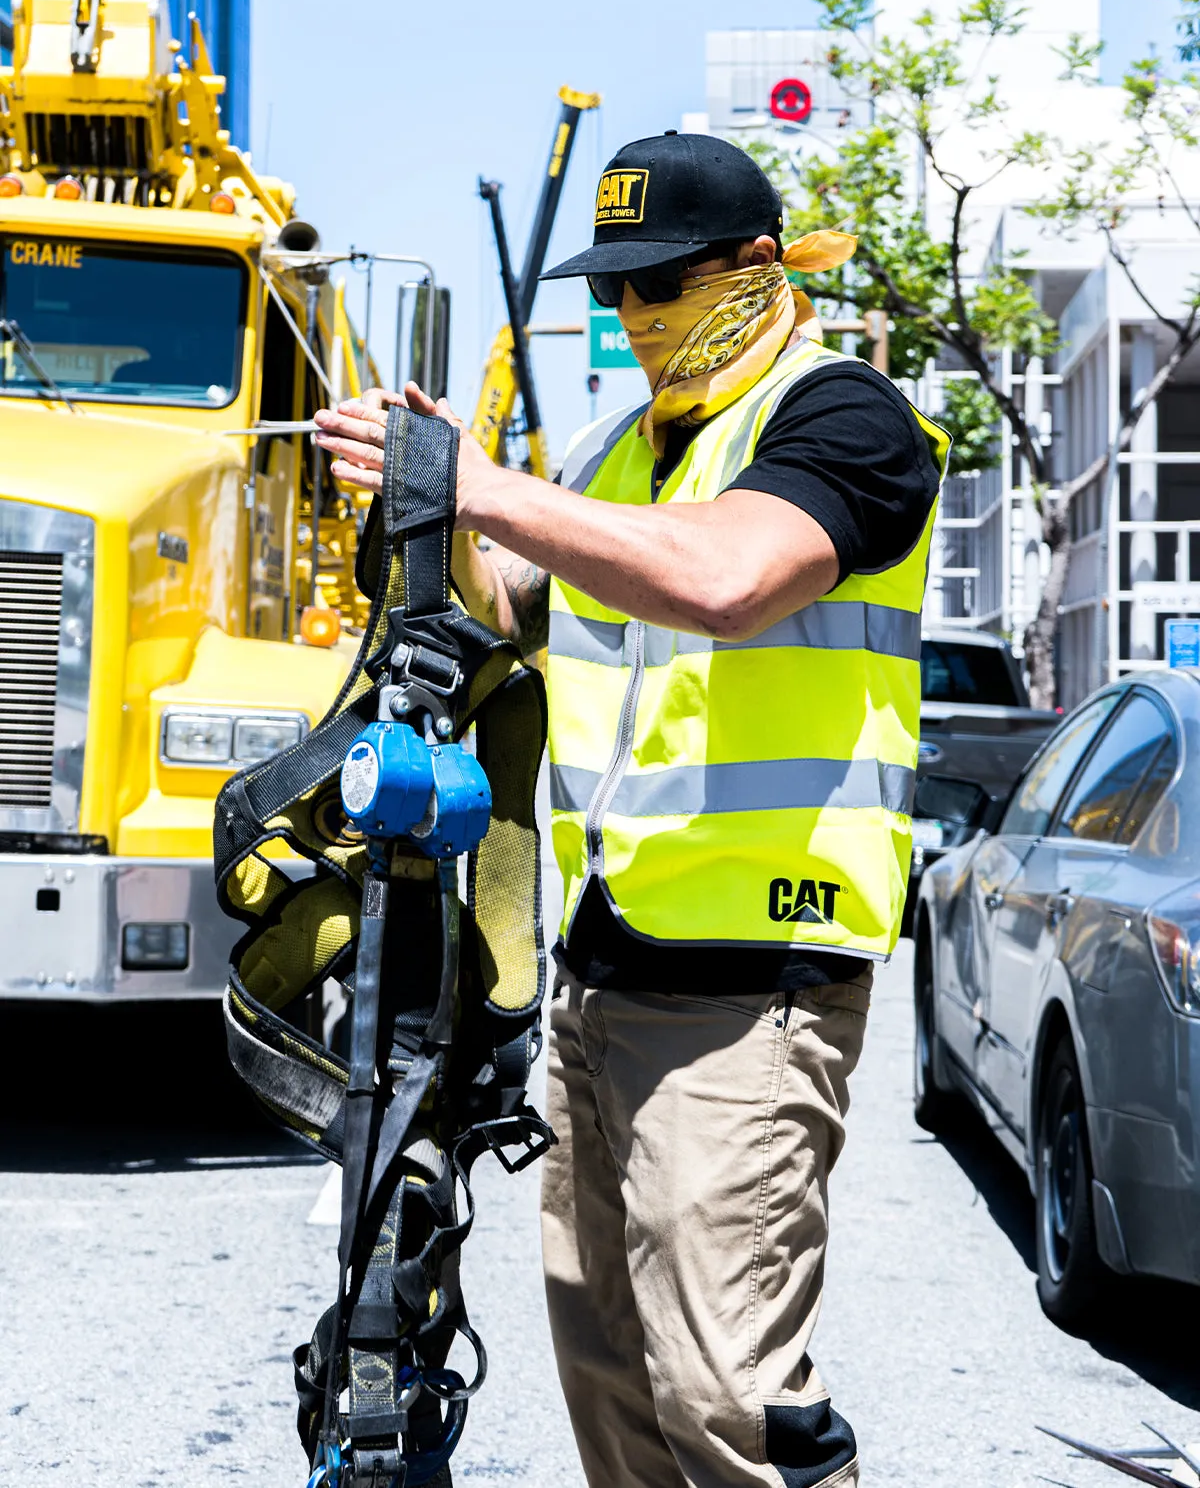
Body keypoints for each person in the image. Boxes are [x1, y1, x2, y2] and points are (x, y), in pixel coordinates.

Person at [315, 131, 949, 1488]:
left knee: (729, 1403)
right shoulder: (616, 458)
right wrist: (420, 502)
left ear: (758, 267)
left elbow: (727, 579)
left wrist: (489, 486)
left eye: (663, 283)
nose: (634, 316)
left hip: (750, 991)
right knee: (612, 1382)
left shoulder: (847, 420)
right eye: (615, 291)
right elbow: (512, 609)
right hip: (598, 985)